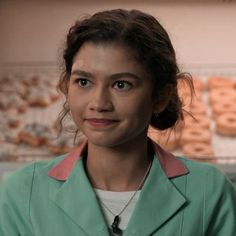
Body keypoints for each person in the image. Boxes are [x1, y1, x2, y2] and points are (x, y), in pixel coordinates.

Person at [0, 9, 235, 236]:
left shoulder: (210, 192)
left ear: (161, 97)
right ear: (65, 86)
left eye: (121, 84)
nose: (99, 103)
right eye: (83, 82)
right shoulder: (21, 192)